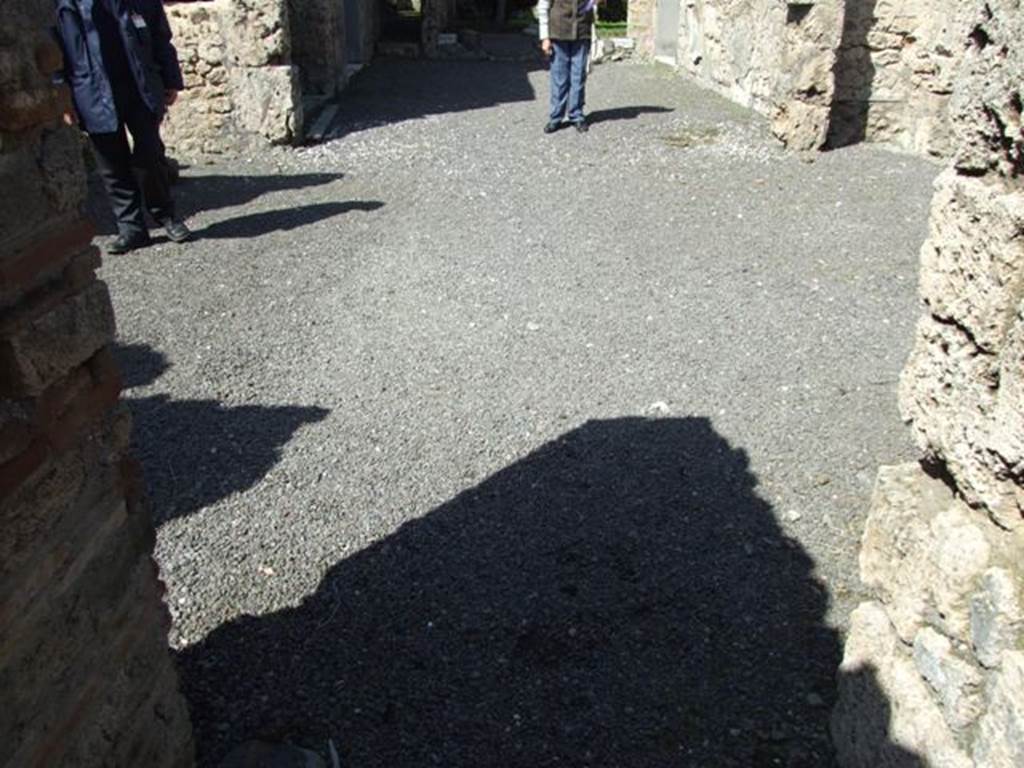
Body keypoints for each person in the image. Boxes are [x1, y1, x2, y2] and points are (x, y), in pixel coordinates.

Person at [54, 0, 192, 254]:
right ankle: (131, 228)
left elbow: (160, 36)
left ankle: (166, 215)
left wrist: (171, 78)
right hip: (92, 91)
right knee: (110, 163)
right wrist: (63, 97)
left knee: (150, 155)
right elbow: (56, 51)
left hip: (141, 86)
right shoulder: (66, 5)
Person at [538, 0, 595, 134]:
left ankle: (577, 115)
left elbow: (593, 5)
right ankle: (556, 117)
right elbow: (543, 6)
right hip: (558, 33)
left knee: (578, 77)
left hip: (582, 33)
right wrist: (545, 37)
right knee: (559, 78)